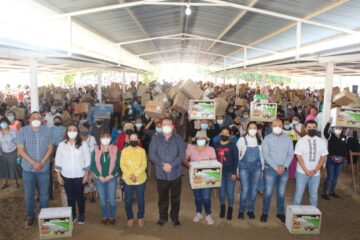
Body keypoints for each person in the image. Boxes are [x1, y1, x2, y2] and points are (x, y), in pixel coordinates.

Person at [16, 111, 54, 228]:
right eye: (34, 118)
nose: (36, 119)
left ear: (42, 120)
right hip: (28, 169)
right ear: (29, 119)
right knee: (29, 194)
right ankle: (30, 216)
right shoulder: (23, 131)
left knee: (44, 194)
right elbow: (20, 150)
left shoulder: (48, 130)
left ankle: (44, 216)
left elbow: (50, 148)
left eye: (39, 117)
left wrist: (41, 162)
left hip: (44, 168)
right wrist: (33, 163)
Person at [149, 117, 185, 227]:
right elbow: (152, 155)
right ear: (161, 126)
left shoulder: (178, 138)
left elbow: (181, 155)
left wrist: (171, 165)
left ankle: (175, 218)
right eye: (164, 124)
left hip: (175, 174)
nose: (166, 126)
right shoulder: (155, 138)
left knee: (175, 198)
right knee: (162, 198)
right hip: (161, 174)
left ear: (173, 126)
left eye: (169, 124)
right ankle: (162, 217)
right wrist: (162, 165)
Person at [55, 124, 90, 224]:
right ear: (67, 132)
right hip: (66, 176)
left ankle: (82, 214)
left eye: (74, 130)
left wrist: (86, 174)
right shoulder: (62, 145)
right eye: (70, 130)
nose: (72, 131)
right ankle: (73, 214)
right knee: (70, 197)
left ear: (77, 132)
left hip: (80, 176)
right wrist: (58, 176)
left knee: (80, 196)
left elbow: (87, 160)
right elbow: (58, 161)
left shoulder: (83, 144)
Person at [260, 119, 294, 223]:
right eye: (275, 125)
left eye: (280, 125)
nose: (277, 127)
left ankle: (280, 213)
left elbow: (290, 154)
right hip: (270, 170)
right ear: (271, 127)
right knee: (268, 193)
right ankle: (265, 213)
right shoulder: (267, 138)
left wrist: (284, 167)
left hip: (284, 170)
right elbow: (266, 155)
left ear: (283, 126)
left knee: (281, 193)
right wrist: (276, 167)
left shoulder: (288, 139)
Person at [183, 131, 217, 225]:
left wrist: (210, 164)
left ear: (206, 140)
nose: (201, 140)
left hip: (207, 175)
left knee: (206, 197)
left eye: (203, 138)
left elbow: (214, 162)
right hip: (195, 175)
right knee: (198, 197)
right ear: (196, 140)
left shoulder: (211, 149)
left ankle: (208, 213)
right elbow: (185, 159)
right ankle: (198, 213)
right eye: (199, 138)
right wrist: (188, 164)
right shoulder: (190, 147)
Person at [293, 120, 328, 207]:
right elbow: (298, 156)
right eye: (309, 127)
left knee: (314, 195)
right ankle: (294, 216)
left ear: (316, 128)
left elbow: (323, 157)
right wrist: (306, 170)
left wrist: (315, 170)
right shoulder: (301, 141)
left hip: (315, 174)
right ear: (305, 129)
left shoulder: (321, 141)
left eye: (314, 127)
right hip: (301, 172)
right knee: (298, 195)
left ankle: (313, 215)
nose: (312, 129)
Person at [90, 131, 120, 225]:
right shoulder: (96, 149)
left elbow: (118, 164)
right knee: (102, 200)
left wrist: (110, 176)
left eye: (107, 137)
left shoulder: (115, 149)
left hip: (111, 178)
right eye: (103, 137)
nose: (105, 139)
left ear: (110, 139)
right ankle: (104, 216)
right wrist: (100, 176)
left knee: (111, 200)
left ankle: (112, 216)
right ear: (100, 139)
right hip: (99, 179)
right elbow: (92, 164)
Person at [236, 122, 263, 220]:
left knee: (253, 190)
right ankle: (241, 210)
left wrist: (262, 169)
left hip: (257, 167)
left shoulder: (260, 139)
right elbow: (237, 156)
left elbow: (262, 156)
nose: (252, 129)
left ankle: (250, 210)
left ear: (257, 129)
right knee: (245, 189)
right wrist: (237, 169)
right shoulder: (242, 140)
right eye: (250, 127)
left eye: (254, 127)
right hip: (244, 167)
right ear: (247, 129)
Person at [120, 133, 147, 228]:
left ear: (138, 140)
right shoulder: (124, 151)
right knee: (128, 200)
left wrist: (135, 175)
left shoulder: (142, 151)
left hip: (140, 180)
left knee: (140, 200)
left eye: (135, 139)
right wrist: (130, 175)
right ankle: (130, 218)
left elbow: (144, 165)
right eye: (131, 139)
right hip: (128, 180)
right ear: (128, 140)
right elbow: (122, 165)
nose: (133, 141)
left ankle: (140, 217)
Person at [214, 127, 239, 220]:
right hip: (219, 172)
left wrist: (234, 173)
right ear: (220, 134)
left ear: (229, 135)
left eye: (227, 133)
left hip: (230, 172)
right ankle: (223, 208)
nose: (225, 134)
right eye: (223, 133)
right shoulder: (216, 145)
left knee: (230, 192)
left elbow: (236, 160)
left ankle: (230, 209)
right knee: (221, 193)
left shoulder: (233, 145)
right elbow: (213, 158)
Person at [322, 118, 348, 200]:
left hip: (340, 161)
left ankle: (332, 192)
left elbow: (348, 146)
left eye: (339, 128)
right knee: (330, 177)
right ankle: (324, 192)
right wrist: (329, 122)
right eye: (336, 128)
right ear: (333, 129)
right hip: (331, 160)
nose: (338, 130)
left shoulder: (345, 138)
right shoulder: (330, 136)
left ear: (342, 129)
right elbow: (325, 132)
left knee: (336, 177)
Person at [0, 117, 22, 189]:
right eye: (1, 123)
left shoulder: (12, 131)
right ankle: (4, 183)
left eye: (5, 122)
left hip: (13, 151)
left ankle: (15, 183)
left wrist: (18, 152)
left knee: (13, 167)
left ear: (8, 123)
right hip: (3, 152)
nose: (3, 124)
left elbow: (17, 141)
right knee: (4, 167)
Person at [80, 122, 97, 203]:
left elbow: (94, 150)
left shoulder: (92, 138)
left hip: (91, 162)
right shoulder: (78, 138)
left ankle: (92, 195)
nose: (83, 130)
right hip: (81, 163)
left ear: (88, 129)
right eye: (81, 128)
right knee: (83, 180)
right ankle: (84, 195)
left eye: (84, 128)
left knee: (92, 180)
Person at [50, 116, 66, 200]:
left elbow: (64, 137)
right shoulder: (51, 129)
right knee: (53, 163)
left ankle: (61, 179)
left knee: (60, 163)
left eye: (58, 120)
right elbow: (50, 138)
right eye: (55, 120)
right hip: (53, 147)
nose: (56, 121)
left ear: (61, 120)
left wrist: (60, 144)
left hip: (61, 147)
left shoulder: (64, 128)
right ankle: (55, 181)